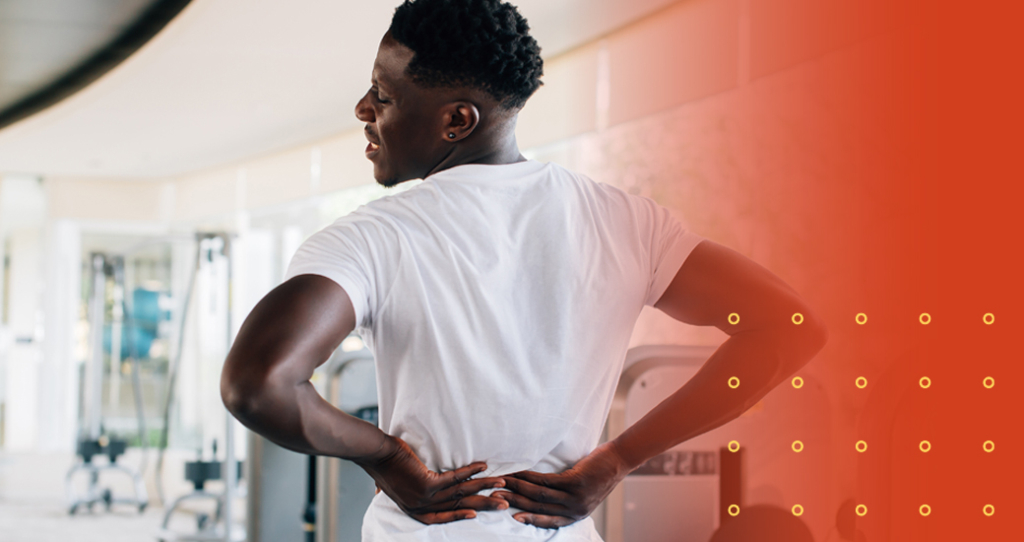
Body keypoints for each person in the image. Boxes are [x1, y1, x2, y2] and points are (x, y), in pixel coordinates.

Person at [220, 0, 828, 540]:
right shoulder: (624, 222)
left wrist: (384, 457)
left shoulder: (375, 236)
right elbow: (789, 326)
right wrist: (618, 457)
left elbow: (259, 384)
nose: (362, 109)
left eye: (383, 95)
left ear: (456, 121)